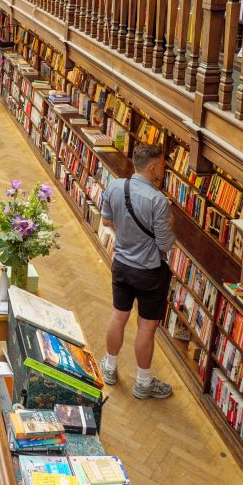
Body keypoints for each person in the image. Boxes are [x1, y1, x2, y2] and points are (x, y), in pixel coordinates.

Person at [99, 143, 176, 400]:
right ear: (153, 167)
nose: (163, 170)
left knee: (118, 315)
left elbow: (107, 221)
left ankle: (109, 367)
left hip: (122, 263)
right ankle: (143, 383)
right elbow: (165, 245)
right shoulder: (158, 201)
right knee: (146, 327)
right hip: (149, 273)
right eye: (162, 166)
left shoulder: (115, 186)